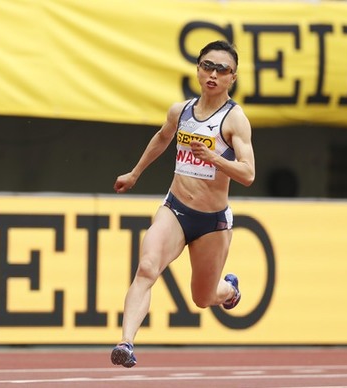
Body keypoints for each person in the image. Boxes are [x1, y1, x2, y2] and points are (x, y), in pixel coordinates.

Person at [110, 40, 255, 368]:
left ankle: (229, 291)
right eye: (207, 66)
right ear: (198, 69)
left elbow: (248, 173)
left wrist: (215, 158)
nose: (213, 75)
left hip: (212, 221)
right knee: (147, 268)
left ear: (233, 77)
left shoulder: (235, 120)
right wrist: (134, 174)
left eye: (222, 69)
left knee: (203, 298)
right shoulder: (182, 111)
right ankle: (126, 342)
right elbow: (163, 138)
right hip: (175, 208)